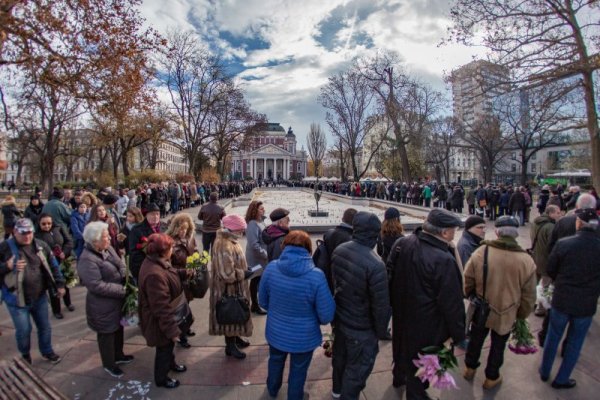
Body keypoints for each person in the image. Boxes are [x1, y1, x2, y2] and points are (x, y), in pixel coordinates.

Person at [388, 209, 466, 399]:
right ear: (445, 233)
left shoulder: (403, 243)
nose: (454, 233)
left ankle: (398, 377)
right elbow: (452, 304)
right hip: (427, 325)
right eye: (453, 230)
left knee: (401, 350)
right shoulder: (443, 259)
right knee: (420, 365)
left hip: (402, 315)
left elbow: (390, 277)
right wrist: (458, 334)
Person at [259, 230, 336, 400]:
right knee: (299, 370)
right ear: (309, 250)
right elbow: (326, 316)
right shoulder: (316, 276)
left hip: (276, 332)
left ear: (284, 246)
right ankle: (295, 396)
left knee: (275, 361)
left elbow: (262, 302)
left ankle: (272, 390)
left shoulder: (271, 268)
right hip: (304, 337)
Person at [463, 216, 537, 390]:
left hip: (482, 309)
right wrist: (521, 314)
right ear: (516, 234)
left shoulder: (482, 252)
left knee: (476, 339)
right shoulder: (526, 261)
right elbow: (529, 296)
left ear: (497, 232)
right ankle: (491, 377)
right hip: (507, 312)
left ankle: (469, 367)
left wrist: (471, 295)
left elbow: (467, 279)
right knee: (498, 345)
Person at [330, 211, 390, 400]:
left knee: (340, 360)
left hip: (341, 320)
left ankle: (336, 391)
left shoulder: (340, 250)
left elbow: (335, 284)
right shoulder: (376, 264)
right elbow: (381, 306)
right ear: (374, 233)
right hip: (362, 327)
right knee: (356, 372)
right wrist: (381, 332)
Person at [539, 207, 600, 389]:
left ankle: (544, 370)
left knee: (553, 336)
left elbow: (550, 270)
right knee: (575, 342)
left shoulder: (564, 244)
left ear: (578, 223)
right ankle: (562, 378)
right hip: (586, 304)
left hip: (562, 299)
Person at [0, 218, 65, 365]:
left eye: (29, 233)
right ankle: (25, 354)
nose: (27, 236)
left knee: (45, 327)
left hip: (39, 296)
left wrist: (60, 284)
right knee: (24, 330)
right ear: (15, 232)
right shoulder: (4, 248)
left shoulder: (41, 246)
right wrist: (7, 267)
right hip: (16, 299)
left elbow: (53, 266)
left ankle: (47, 351)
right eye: (23, 233)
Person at [77, 221, 133, 378]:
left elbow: (120, 264)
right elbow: (96, 285)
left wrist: (126, 276)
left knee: (118, 329)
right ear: (95, 241)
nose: (109, 238)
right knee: (107, 335)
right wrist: (122, 290)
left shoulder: (107, 248)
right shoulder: (87, 259)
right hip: (102, 306)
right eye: (105, 236)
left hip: (117, 302)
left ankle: (119, 355)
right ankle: (109, 364)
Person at [138, 233, 191, 389]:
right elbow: (161, 308)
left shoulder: (157, 262)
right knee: (164, 348)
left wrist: (183, 273)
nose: (173, 250)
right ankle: (162, 378)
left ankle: (171, 364)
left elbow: (169, 273)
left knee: (168, 348)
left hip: (162, 319)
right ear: (163, 251)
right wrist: (172, 331)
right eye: (171, 247)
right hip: (158, 322)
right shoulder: (154, 273)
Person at [209, 214, 253, 359]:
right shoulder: (224, 244)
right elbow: (227, 274)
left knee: (236, 314)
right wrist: (243, 274)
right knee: (231, 315)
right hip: (227, 289)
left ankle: (235, 338)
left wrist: (245, 267)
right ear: (232, 229)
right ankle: (230, 346)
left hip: (233, 287)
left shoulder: (229, 240)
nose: (241, 233)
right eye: (240, 230)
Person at [166, 212, 198, 348]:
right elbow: (167, 266)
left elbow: (195, 252)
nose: (183, 231)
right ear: (175, 228)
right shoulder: (169, 242)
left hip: (189, 278)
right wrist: (184, 271)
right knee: (178, 308)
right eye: (180, 228)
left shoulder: (190, 238)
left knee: (187, 305)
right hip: (178, 279)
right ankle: (181, 335)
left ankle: (186, 327)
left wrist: (195, 264)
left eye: (185, 228)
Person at [35, 214, 74, 319]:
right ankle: (56, 310)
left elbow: (69, 241)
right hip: (48, 265)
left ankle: (68, 302)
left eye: (49, 223)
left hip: (62, 261)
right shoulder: (37, 236)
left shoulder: (59, 229)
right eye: (44, 224)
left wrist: (64, 252)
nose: (47, 226)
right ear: (39, 223)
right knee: (53, 287)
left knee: (65, 282)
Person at [530, 205, 562, 319]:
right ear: (551, 213)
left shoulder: (535, 223)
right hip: (546, 260)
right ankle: (541, 308)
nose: (560, 214)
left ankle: (531, 303)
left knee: (535, 283)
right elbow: (552, 246)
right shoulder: (551, 227)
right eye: (558, 212)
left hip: (535, 257)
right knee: (545, 285)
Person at [320, 208, 356, 292]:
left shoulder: (329, 233)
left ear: (342, 219)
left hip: (326, 274)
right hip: (342, 281)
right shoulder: (351, 240)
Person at [244, 201, 268, 314]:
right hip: (256, 258)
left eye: (263, 208)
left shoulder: (261, 221)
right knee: (255, 279)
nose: (263, 210)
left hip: (261, 257)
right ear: (255, 210)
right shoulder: (253, 224)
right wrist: (265, 254)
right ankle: (255, 305)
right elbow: (254, 244)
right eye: (261, 209)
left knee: (258, 279)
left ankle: (256, 303)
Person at [128, 203, 162, 281]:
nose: (156, 217)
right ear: (146, 215)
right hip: (143, 268)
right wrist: (151, 264)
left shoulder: (162, 227)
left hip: (159, 267)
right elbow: (134, 253)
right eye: (152, 214)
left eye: (157, 214)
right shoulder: (137, 230)